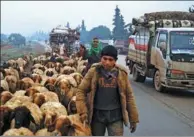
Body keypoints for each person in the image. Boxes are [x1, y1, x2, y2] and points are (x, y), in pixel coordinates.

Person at [76, 45, 139, 136]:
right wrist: (83, 112)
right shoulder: (94, 72)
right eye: (104, 58)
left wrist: (133, 119)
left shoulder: (121, 74)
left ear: (115, 61)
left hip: (116, 117)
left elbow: (129, 97)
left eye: (110, 59)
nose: (107, 62)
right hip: (97, 116)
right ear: (101, 58)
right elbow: (81, 91)